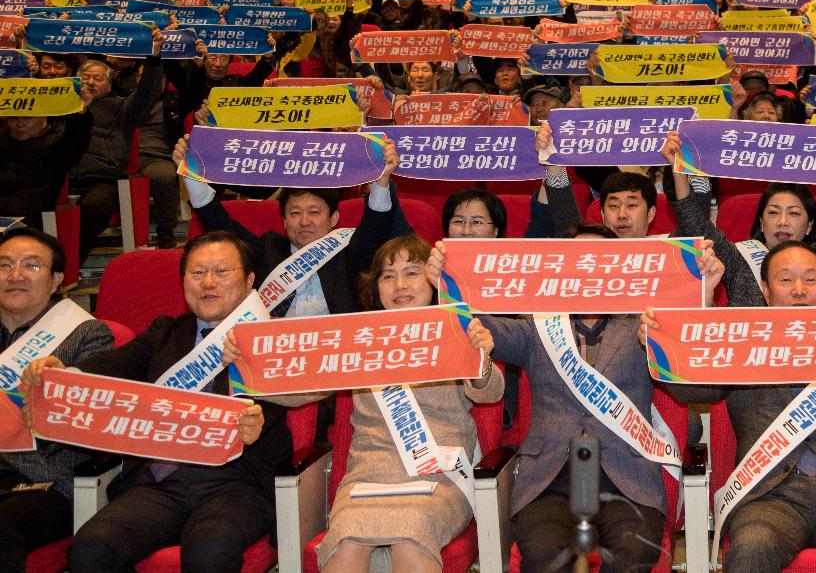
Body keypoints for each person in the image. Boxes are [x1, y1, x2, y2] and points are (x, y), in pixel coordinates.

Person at [424, 228, 724, 573]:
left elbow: (703, 381)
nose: (587, 269)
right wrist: (445, 287)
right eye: (577, 261)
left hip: (627, 479)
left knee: (632, 555)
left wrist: (702, 297)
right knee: (544, 557)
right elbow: (478, 327)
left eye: (598, 261)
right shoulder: (539, 324)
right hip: (551, 477)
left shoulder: (645, 324)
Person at [23, 232, 291, 573]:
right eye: (197, 273)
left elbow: (276, 399)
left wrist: (257, 420)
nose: (208, 282)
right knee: (92, 547)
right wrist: (66, 371)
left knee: (209, 549)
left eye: (222, 272)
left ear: (250, 279)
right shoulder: (165, 333)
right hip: (159, 483)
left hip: (236, 484)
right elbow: (114, 366)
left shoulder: (270, 337)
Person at [231, 235, 501, 573]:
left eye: (412, 272)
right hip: (367, 476)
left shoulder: (455, 329)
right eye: (388, 276)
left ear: (433, 281)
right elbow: (300, 391)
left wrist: (481, 357)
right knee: (345, 543)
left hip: (438, 474)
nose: (399, 285)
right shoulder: (360, 336)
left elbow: (489, 393)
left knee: (412, 536)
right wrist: (247, 365)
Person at [645, 242, 816, 573]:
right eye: (786, 280)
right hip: (767, 495)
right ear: (765, 289)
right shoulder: (741, 341)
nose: (800, 290)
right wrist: (660, 345)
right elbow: (692, 387)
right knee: (750, 551)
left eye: (811, 280)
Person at [172, 135, 409, 318]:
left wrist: (381, 182)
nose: (304, 221)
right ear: (284, 222)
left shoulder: (349, 251)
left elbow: (375, 224)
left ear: (334, 218)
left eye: (314, 212)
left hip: (338, 349)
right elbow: (218, 221)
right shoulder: (267, 248)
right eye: (295, 213)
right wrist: (190, 172)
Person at [663, 128, 816, 305]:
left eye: (794, 213)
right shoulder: (739, 259)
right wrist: (679, 170)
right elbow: (695, 224)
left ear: (809, 226)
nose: (783, 221)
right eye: (773, 212)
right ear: (761, 222)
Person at [0, 228, 113, 572]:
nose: (15, 275)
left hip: (39, 480)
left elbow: (89, 424)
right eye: (4, 265)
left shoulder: (85, 334)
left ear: (56, 281)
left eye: (31, 266)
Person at [69, 37, 165, 259]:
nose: (91, 82)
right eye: (86, 77)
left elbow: (146, 93)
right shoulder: (63, 106)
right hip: (62, 176)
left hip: (102, 178)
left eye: (98, 78)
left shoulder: (122, 108)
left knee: (94, 206)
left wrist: (153, 57)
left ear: (109, 84)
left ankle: (69, 263)